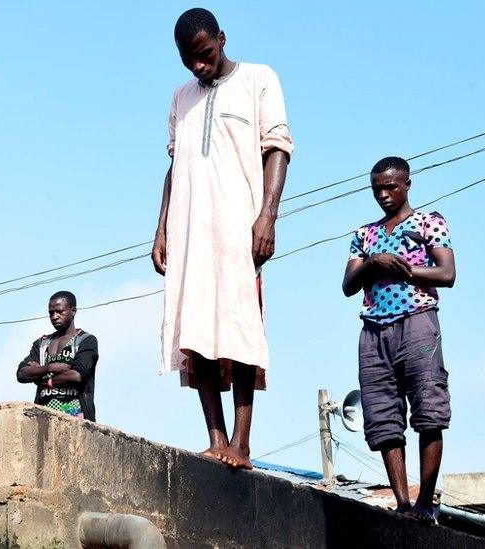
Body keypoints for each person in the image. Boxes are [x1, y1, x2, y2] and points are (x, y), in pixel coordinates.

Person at [151, 8, 293, 470]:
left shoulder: (259, 78)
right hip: (190, 230)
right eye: (188, 59)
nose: (198, 66)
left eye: (205, 55)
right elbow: (176, 165)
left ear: (222, 39)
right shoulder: (180, 97)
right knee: (196, 330)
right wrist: (161, 228)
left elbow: (278, 149)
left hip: (239, 226)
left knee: (239, 329)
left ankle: (242, 443)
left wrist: (267, 217)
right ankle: (214, 439)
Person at [342, 156, 455, 522]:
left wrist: (401, 268)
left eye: (391, 187)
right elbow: (348, 285)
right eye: (377, 188)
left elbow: (447, 273)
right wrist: (375, 263)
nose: (384, 195)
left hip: (418, 322)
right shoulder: (364, 235)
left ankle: (424, 505)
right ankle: (403, 505)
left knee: (429, 411)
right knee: (383, 418)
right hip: (374, 330)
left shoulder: (428, 222)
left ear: (407, 184)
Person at [16, 291, 98, 421]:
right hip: (43, 416)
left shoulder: (85, 340)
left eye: (59, 311)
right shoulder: (42, 344)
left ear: (73, 311)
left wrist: (44, 380)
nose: (55, 316)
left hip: (75, 416)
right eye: (51, 313)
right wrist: (49, 368)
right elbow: (22, 373)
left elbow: (77, 375)